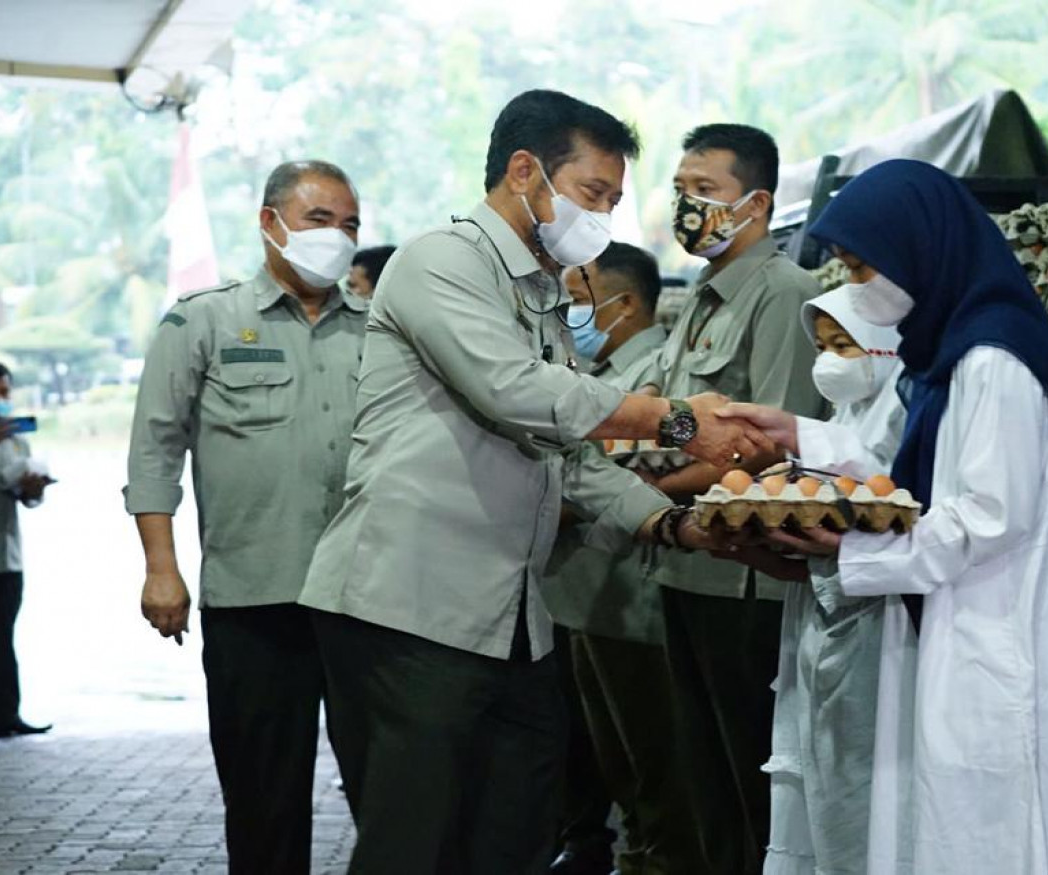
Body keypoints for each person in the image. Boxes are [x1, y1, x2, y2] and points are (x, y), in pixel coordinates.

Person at [296, 90, 764, 874]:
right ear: (524, 171)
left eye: (612, 201)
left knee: (516, 835)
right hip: (411, 607)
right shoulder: (442, 261)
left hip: (511, 615)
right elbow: (514, 390)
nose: (603, 217)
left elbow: (568, 455)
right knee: (416, 843)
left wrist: (673, 523)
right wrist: (678, 419)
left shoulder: (541, 293)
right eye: (592, 193)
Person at [722, 159, 1048, 874]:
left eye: (861, 268)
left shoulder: (995, 358)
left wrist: (850, 552)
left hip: (999, 623)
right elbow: (916, 470)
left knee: (1000, 825)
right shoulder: (948, 349)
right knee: (947, 823)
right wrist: (801, 436)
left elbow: (986, 519)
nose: (856, 286)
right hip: (958, 618)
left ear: (916, 248)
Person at [124, 160, 367, 873]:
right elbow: (154, 451)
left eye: (349, 224)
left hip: (367, 600)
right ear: (270, 222)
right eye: (319, 219)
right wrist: (161, 569)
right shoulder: (203, 319)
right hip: (255, 600)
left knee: (392, 794)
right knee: (264, 799)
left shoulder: (382, 328)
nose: (337, 236)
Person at [646, 122, 823, 874]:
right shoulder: (703, 297)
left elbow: (770, 447)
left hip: (745, 577)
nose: (688, 206)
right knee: (703, 777)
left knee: (751, 778)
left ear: (758, 204)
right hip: (686, 563)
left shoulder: (783, 294)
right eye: (681, 190)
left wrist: (646, 488)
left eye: (706, 190)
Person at [544, 243, 708, 875]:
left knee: (656, 770)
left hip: (634, 598)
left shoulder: (657, 377)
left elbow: (658, 470)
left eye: (577, 301)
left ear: (626, 303)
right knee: (617, 767)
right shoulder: (596, 374)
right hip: (588, 596)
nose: (567, 316)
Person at [761, 287, 905, 875]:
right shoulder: (844, 419)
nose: (828, 362)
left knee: (865, 785)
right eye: (821, 347)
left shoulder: (905, 414)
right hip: (822, 614)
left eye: (843, 345)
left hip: (883, 626)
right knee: (819, 776)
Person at [0, 361, 52, 746]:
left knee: (2, 640)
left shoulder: (16, 437)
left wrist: (34, 489)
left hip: (7, 557)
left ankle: (6, 717)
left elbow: (25, 496)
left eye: (4, 392)